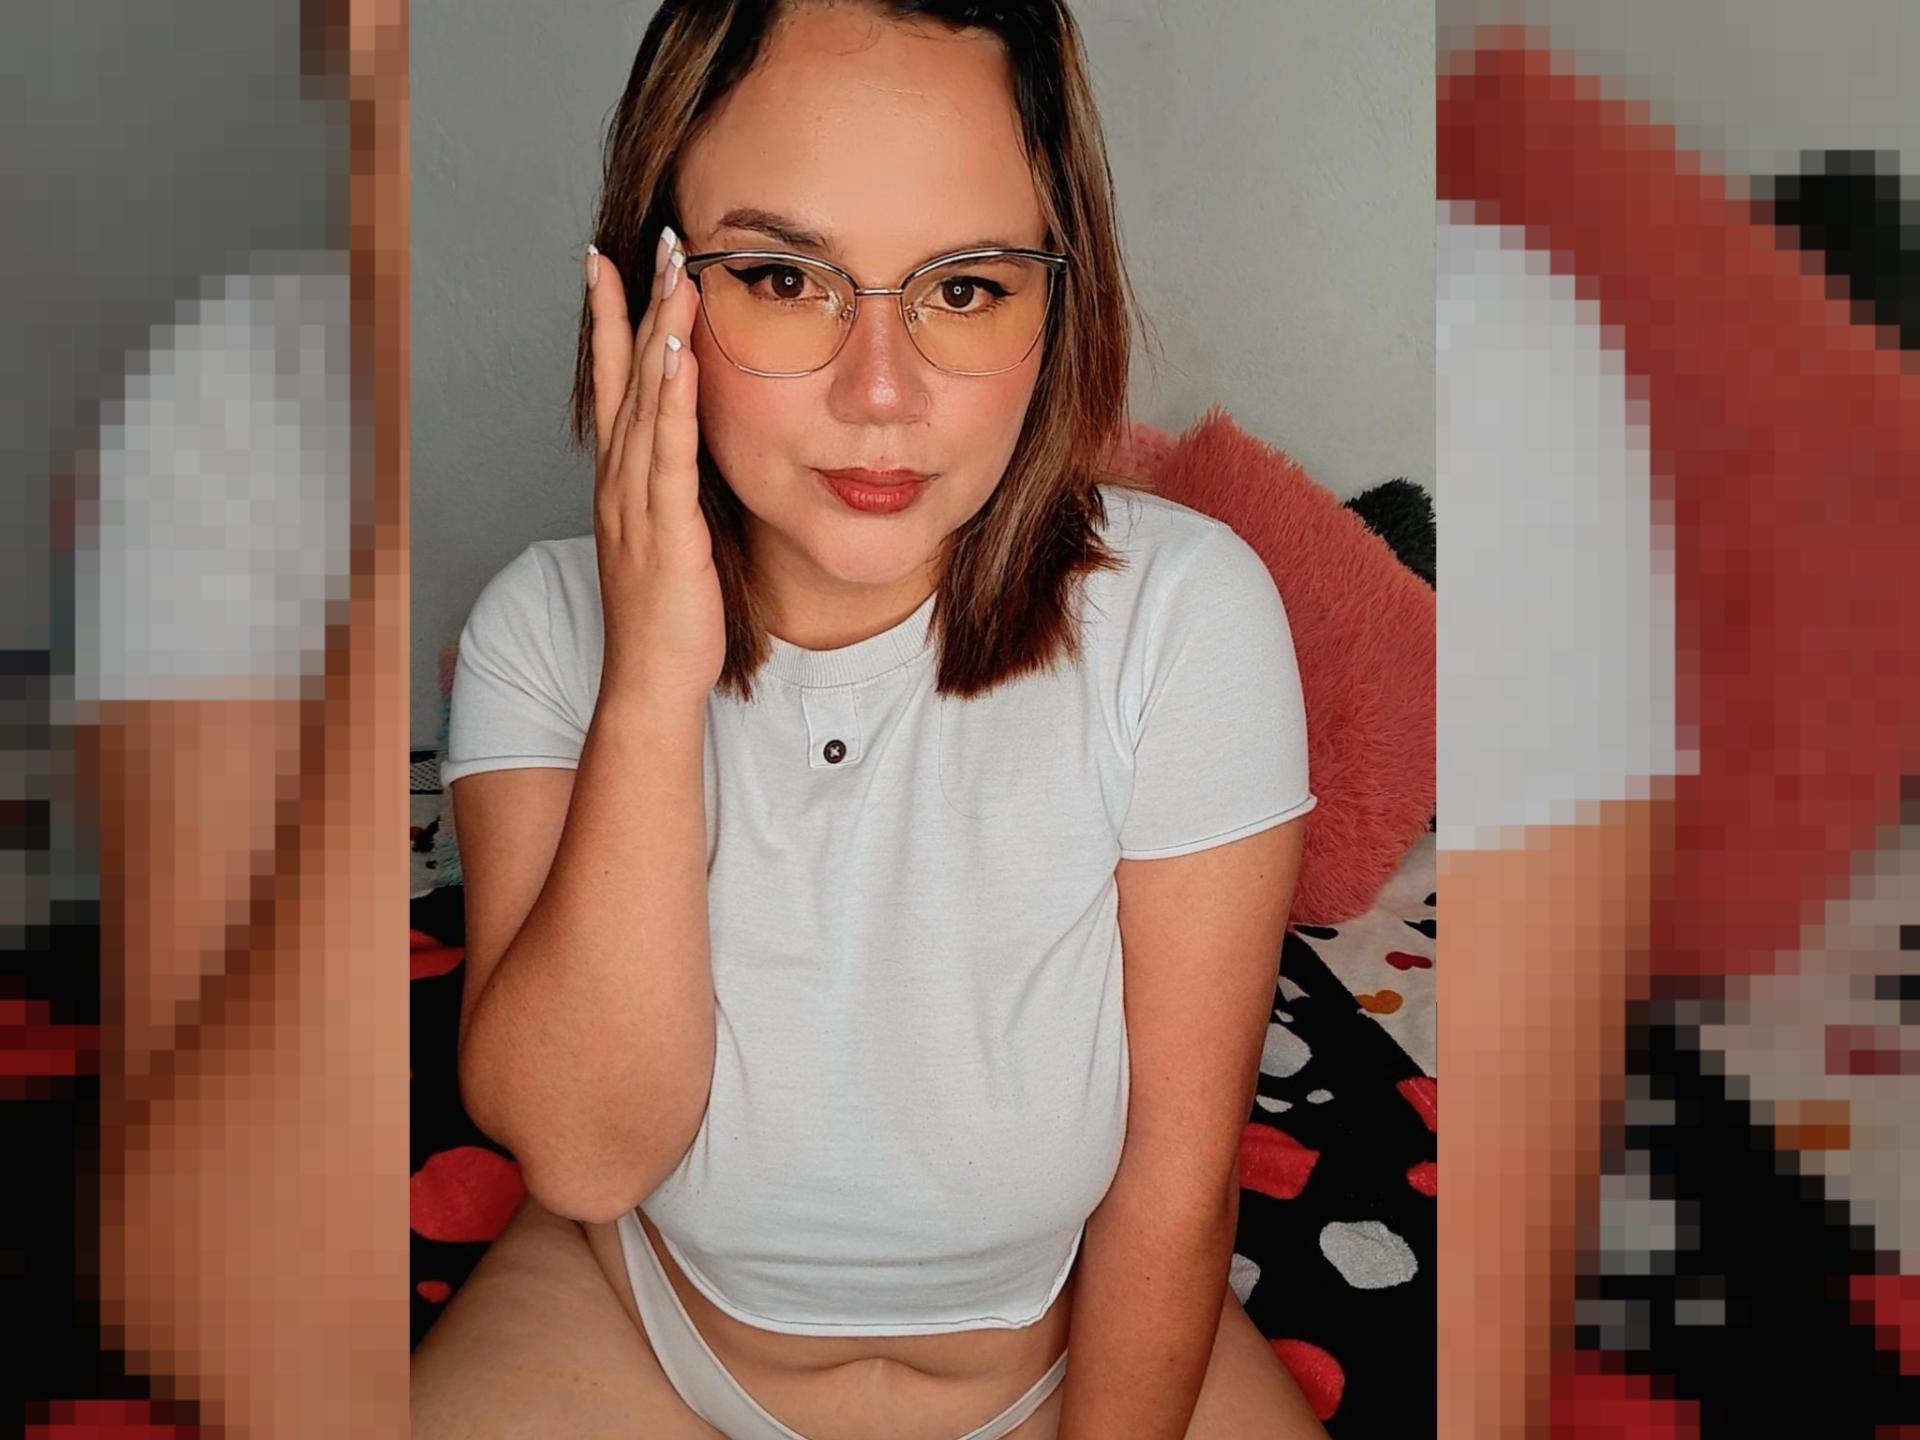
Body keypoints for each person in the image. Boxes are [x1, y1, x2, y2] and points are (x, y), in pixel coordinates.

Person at [410, 3, 1328, 1438]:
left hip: (1067, 1353)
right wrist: (652, 678)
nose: (882, 396)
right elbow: (585, 1159)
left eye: (965, 288)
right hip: (639, 1330)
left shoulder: (1186, 613)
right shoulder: (543, 626)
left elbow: (1176, 1179)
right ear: (655, 288)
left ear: (1056, 300)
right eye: (784, 277)